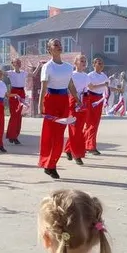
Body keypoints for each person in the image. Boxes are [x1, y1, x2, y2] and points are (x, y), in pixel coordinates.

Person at [38, 39, 79, 180]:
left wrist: (77, 99)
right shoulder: (47, 66)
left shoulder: (68, 67)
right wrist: (40, 105)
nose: (59, 46)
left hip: (63, 101)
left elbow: (71, 85)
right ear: (49, 49)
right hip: (50, 100)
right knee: (50, 134)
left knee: (59, 136)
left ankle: (51, 164)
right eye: (55, 44)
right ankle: (48, 164)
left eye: (60, 44)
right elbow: (43, 88)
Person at [64, 54, 90, 165]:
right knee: (74, 129)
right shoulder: (71, 75)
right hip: (73, 102)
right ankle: (77, 154)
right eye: (81, 60)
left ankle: (68, 149)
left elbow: (89, 89)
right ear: (75, 63)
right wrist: (75, 99)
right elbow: (67, 89)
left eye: (85, 61)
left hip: (83, 102)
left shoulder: (86, 76)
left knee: (79, 129)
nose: (84, 63)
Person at [6, 58, 37, 145]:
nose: (19, 63)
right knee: (14, 115)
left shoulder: (23, 72)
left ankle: (15, 136)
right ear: (13, 64)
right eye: (17, 62)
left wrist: (39, 65)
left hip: (21, 93)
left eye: (19, 62)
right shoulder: (10, 72)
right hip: (14, 93)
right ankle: (11, 135)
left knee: (19, 115)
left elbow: (33, 75)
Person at [82, 58, 109, 155]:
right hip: (90, 99)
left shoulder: (104, 76)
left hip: (99, 100)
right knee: (89, 123)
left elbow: (107, 87)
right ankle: (85, 145)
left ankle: (90, 146)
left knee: (95, 124)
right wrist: (103, 84)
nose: (101, 65)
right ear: (94, 64)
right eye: (99, 63)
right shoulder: (90, 75)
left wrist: (118, 90)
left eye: (102, 64)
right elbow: (91, 87)